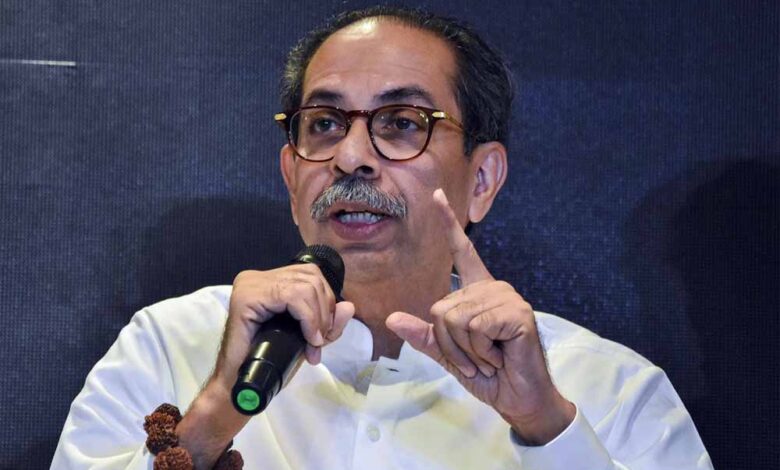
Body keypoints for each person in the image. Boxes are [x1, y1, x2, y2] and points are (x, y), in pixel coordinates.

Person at [52, 6, 712, 469]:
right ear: (291, 176)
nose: (351, 157)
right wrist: (214, 416)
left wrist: (546, 429)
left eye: (401, 123)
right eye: (324, 124)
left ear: (482, 179)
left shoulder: (608, 390)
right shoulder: (171, 346)